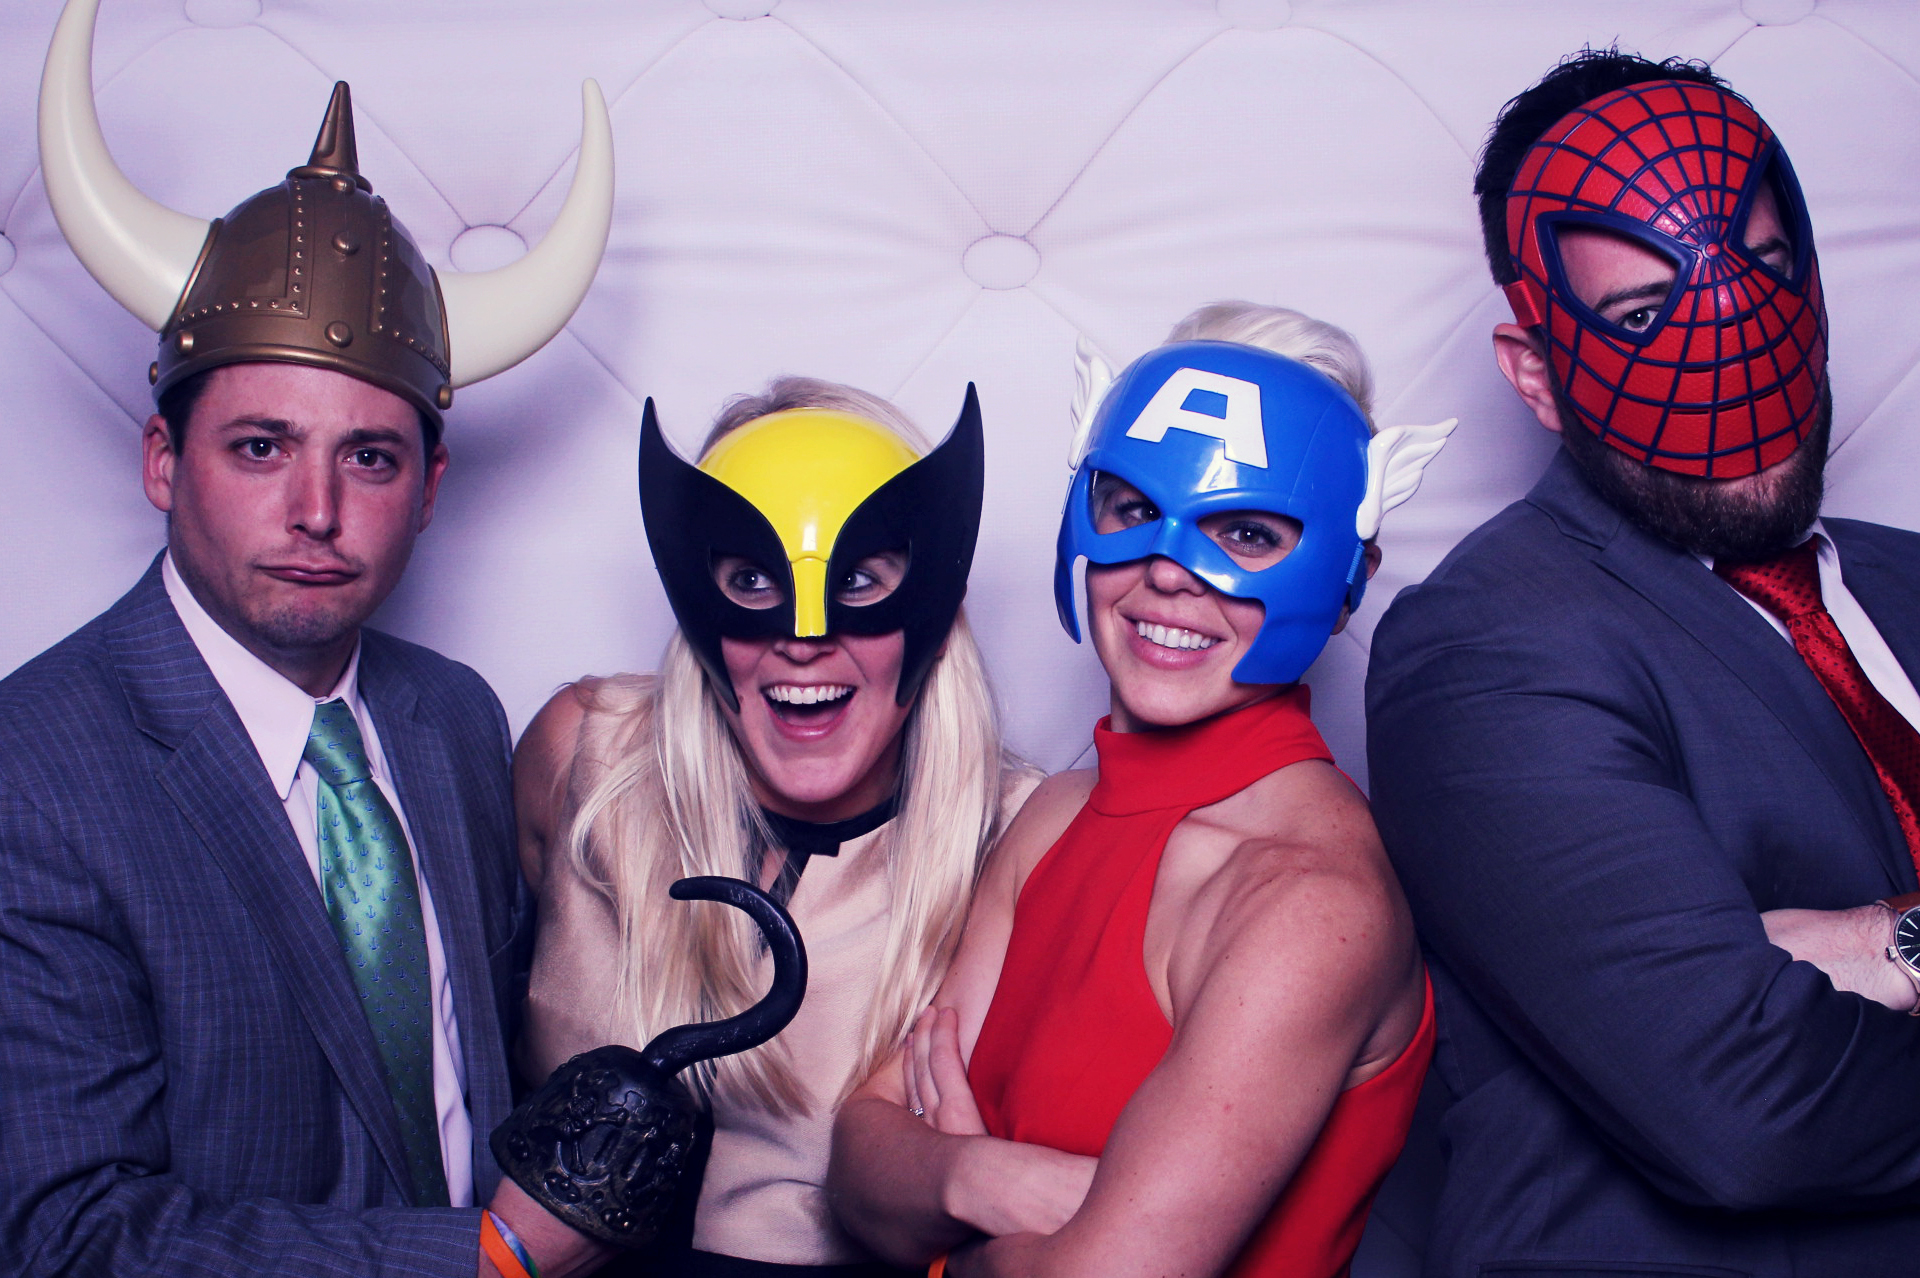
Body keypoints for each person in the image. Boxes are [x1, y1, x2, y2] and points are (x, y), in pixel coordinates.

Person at [1, 1, 617, 1273]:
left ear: (429, 489)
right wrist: (486, 1260)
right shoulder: (35, 770)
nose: (319, 511)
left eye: (370, 458)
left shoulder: (453, 717)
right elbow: (67, 1234)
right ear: (163, 460)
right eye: (261, 447)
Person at [1365, 49, 1920, 1278]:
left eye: (1761, 273)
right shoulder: (1489, 641)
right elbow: (1752, 1108)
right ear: (1537, 373)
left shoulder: (1908, 580)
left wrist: (1858, 946)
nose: (1727, 355)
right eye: (1639, 316)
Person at [829, 303, 1455, 1278]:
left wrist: (952, 1223)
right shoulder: (1053, 818)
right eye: (1132, 509)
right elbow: (858, 1162)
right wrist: (996, 1182)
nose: (1168, 572)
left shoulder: (1307, 901)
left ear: (1347, 577)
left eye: (1246, 533)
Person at [514, 374, 1031, 1277]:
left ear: (934, 599)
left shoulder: (1020, 842)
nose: (803, 637)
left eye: (859, 578)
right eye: (752, 578)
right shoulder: (582, 760)